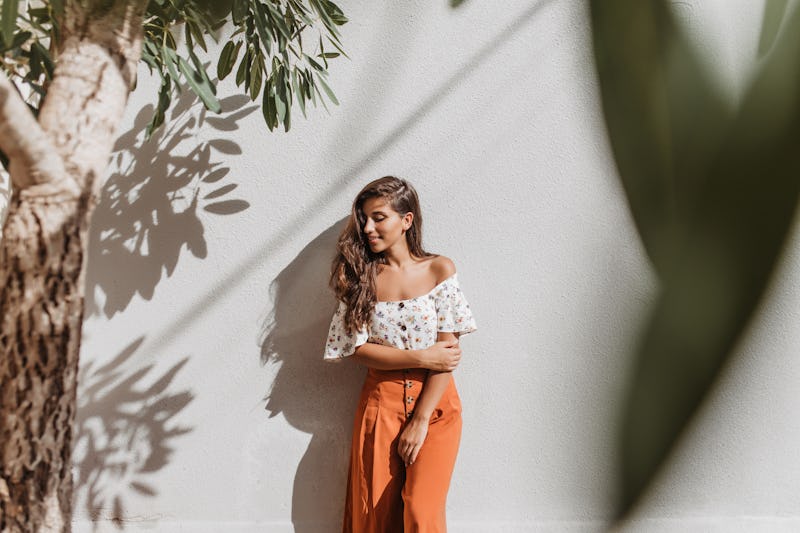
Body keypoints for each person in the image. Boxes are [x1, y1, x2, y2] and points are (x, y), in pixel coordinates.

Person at [324, 176, 477, 532]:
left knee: (421, 513)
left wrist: (421, 420)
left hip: (437, 408)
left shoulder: (440, 269)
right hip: (380, 409)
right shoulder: (361, 277)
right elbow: (357, 349)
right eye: (364, 219)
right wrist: (422, 357)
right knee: (375, 518)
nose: (368, 227)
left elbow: (448, 354)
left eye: (379, 217)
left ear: (406, 220)